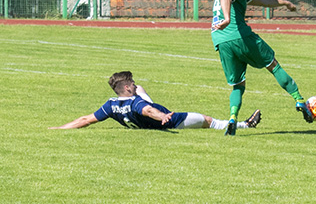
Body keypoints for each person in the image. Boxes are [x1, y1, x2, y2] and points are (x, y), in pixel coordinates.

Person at [211, 0, 313, 136]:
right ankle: (299, 99)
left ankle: (232, 118)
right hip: (239, 35)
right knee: (273, 65)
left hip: (220, 41)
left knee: (238, 85)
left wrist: (284, 3)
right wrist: (228, 19)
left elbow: (263, 1)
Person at [49, 71, 261, 131]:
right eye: (131, 83)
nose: (133, 84)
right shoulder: (136, 104)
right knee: (208, 120)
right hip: (170, 120)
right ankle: (244, 124)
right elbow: (148, 110)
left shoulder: (110, 104)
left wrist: (61, 127)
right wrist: (164, 116)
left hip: (143, 119)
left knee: (142, 90)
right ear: (125, 88)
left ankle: (243, 123)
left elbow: (85, 119)